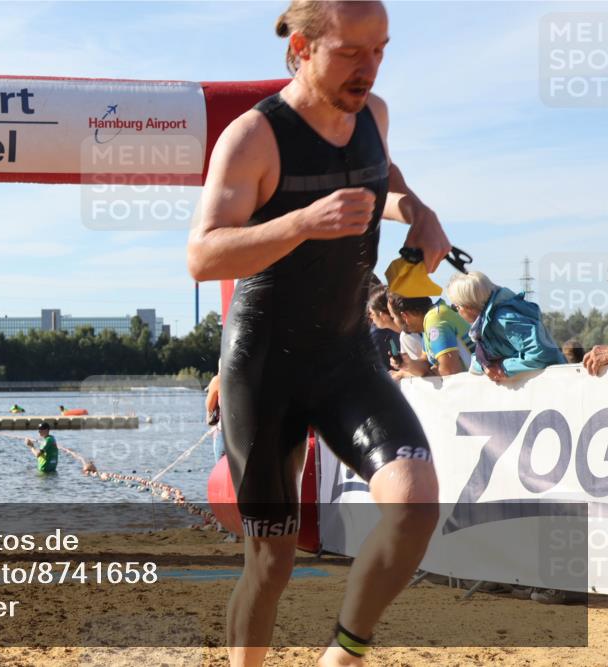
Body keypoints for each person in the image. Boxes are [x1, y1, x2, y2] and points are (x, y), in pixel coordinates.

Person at [185, 2, 446, 664]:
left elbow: (383, 178)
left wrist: (416, 211)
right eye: (352, 52)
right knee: (271, 559)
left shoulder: (374, 115)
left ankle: (344, 652)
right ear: (302, 47)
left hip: (345, 356)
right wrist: (302, 222)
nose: (371, 67)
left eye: (381, 49)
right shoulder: (253, 137)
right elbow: (204, 254)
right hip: (265, 363)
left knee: (415, 505)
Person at [447, 271, 565, 382]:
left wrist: (503, 367)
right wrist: (486, 366)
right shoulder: (487, 324)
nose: (458, 312)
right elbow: (477, 363)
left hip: (551, 386)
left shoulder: (504, 319)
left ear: (468, 306)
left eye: (456, 307)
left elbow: (542, 354)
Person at [390, 294, 472, 377]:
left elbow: (450, 370)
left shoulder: (435, 320)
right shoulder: (429, 319)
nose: (394, 322)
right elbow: (426, 363)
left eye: (393, 317)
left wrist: (431, 372)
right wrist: (408, 365)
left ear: (404, 316)